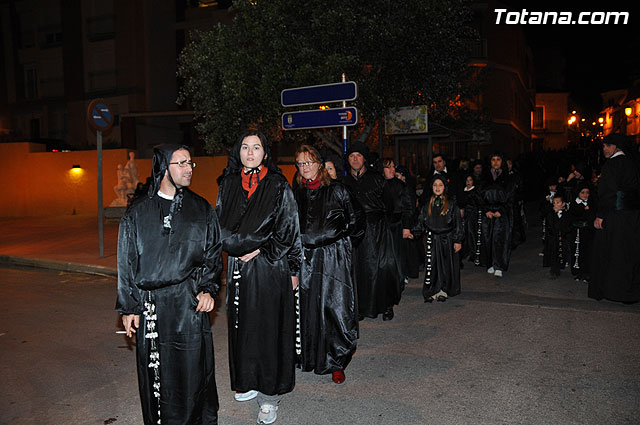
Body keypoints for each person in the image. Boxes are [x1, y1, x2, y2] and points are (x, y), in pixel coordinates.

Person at [116, 144, 222, 425]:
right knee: (156, 375)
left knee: (192, 372)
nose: (189, 168)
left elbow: (213, 253)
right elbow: (127, 261)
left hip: (188, 302)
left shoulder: (201, 209)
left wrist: (208, 288)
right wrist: (129, 307)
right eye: (181, 163)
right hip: (152, 305)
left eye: (191, 163)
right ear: (164, 168)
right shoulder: (138, 212)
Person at [216, 130, 302, 425]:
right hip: (238, 269)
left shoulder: (278, 185)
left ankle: (269, 396)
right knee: (243, 327)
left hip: (268, 267)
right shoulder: (227, 184)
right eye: (244, 147)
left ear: (266, 153)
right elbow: (219, 226)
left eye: (256, 147)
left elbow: (289, 228)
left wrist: (264, 252)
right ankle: (248, 380)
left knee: (268, 331)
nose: (250, 152)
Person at [293, 144, 364, 385]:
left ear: (319, 165)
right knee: (308, 307)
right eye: (301, 164)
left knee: (335, 307)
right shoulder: (297, 193)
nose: (305, 168)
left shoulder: (338, 190)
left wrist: (343, 245)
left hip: (334, 257)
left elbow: (357, 221)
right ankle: (310, 357)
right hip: (306, 258)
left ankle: (336, 361)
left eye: (309, 163)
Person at [342, 142, 400, 321]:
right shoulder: (344, 182)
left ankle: (386, 306)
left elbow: (390, 204)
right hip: (355, 233)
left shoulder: (377, 178)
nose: (355, 159)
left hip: (378, 230)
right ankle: (361, 307)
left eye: (358, 156)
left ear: (364, 158)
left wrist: (381, 223)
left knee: (383, 268)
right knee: (359, 270)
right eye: (352, 156)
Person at [588, 134, 640, 303]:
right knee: (629, 252)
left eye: (608, 146)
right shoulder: (633, 163)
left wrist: (600, 215)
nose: (605, 149)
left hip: (615, 216)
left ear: (617, 147)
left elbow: (607, 193)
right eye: (603, 146)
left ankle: (613, 290)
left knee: (611, 252)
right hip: (632, 216)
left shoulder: (611, 165)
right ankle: (630, 291)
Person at [413, 174, 463, 302]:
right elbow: (421, 221)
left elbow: (458, 223)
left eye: (440, 185)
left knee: (446, 265)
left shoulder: (451, 204)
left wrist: (458, 240)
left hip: (447, 239)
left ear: (444, 187)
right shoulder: (427, 205)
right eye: (435, 185)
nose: (437, 187)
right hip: (432, 239)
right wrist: (413, 233)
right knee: (432, 265)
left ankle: (443, 289)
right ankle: (431, 289)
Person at [381, 158, 415, 286]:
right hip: (383, 226)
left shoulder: (401, 185)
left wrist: (406, 226)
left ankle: (400, 278)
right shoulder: (379, 184)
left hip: (397, 225)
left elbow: (408, 207)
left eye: (393, 167)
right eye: (388, 167)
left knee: (398, 254)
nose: (392, 170)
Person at [479, 152, 514, 277]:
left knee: (500, 239)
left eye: (498, 159)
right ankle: (490, 264)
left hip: (501, 213)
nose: (495, 162)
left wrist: (502, 210)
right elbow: (478, 196)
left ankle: (499, 265)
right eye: (493, 159)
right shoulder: (484, 177)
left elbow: (511, 197)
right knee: (487, 238)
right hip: (487, 213)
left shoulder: (508, 178)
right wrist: (485, 210)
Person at [568, 181, 595, 282]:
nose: (585, 195)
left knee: (587, 252)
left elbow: (592, 216)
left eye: (587, 192)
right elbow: (573, 217)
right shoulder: (575, 203)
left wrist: (588, 211)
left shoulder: (591, 202)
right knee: (577, 251)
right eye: (582, 192)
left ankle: (587, 272)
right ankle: (578, 272)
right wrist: (584, 211)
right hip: (577, 232)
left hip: (588, 232)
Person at [542, 193, 571, 279]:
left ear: (563, 204)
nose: (555, 204)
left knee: (562, 252)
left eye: (558, 202)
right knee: (553, 253)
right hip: (553, 237)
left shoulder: (566, 214)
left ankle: (561, 265)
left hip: (563, 237)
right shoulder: (551, 214)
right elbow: (549, 225)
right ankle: (554, 269)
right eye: (554, 202)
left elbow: (568, 226)